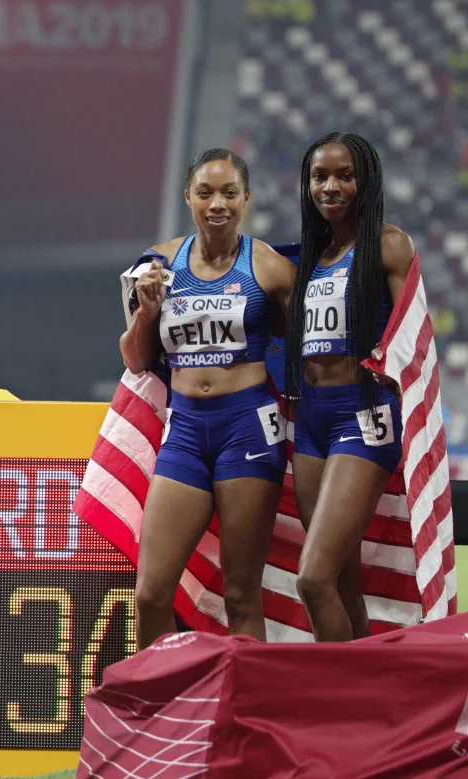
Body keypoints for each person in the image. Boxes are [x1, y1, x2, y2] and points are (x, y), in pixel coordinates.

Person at [120, 148, 297, 649]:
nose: (216, 204)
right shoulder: (158, 265)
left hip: (248, 427)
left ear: (246, 199)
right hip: (186, 432)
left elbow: (307, 344)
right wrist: (146, 313)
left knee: (241, 594)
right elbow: (136, 359)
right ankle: (162, 711)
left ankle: (249, 715)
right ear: (188, 198)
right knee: (151, 594)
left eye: (228, 193)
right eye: (205, 193)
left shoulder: (268, 267)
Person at [283, 132, 412, 642]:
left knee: (312, 580)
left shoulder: (388, 244)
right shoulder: (310, 259)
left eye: (344, 175)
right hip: (311, 416)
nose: (330, 186)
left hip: (363, 414)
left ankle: (339, 704)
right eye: (319, 176)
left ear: (367, 181)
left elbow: (413, 335)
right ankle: (368, 705)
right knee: (340, 579)